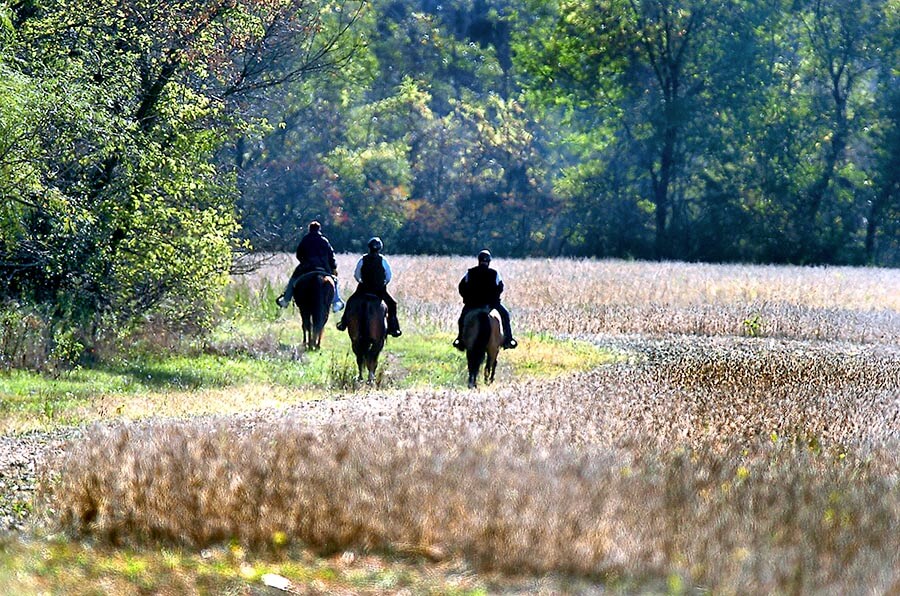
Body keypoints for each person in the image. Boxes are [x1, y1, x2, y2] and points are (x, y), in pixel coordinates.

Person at [336, 236, 402, 337]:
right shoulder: (383, 260)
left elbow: (356, 274)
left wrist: (361, 281)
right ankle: (393, 328)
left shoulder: (362, 259)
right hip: (379, 290)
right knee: (392, 304)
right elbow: (388, 276)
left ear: (369, 247)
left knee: (350, 302)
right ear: (380, 248)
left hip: (363, 289)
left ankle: (343, 323)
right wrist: (383, 283)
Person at [453, 249, 517, 350]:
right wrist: (494, 298)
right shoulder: (494, 273)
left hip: (473, 304)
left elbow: (462, 287)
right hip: (491, 304)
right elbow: (500, 287)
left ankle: (460, 340)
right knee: (505, 315)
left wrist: (467, 299)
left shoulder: (470, 273)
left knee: (462, 319)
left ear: (479, 260)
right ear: (489, 261)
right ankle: (509, 340)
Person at [276, 220, 344, 311]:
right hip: (323, 267)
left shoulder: (305, 240)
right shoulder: (324, 241)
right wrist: (333, 267)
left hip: (306, 267)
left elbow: (299, 254)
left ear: (309, 229)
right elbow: (331, 256)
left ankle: (286, 299)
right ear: (319, 229)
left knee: (293, 280)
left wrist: (304, 261)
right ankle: (336, 302)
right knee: (334, 281)